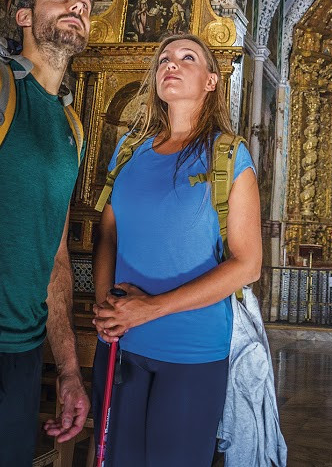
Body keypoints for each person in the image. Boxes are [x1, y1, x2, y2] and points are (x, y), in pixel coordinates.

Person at [92, 32, 262, 467]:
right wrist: (105, 310)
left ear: (211, 80)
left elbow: (248, 265)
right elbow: (108, 233)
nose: (172, 63)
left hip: (192, 349)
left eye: (188, 58)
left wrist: (150, 309)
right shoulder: (129, 149)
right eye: (164, 57)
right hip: (122, 340)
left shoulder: (228, 155)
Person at [0, 0, 94, 467]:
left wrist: (67, 368)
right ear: (23, 17)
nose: (77, 6)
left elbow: (55, 253)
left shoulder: (71, 129)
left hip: (22, 356)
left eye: (84, 2)